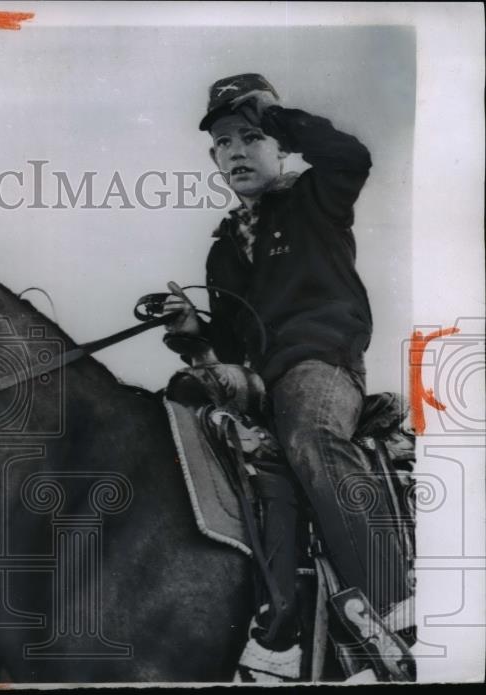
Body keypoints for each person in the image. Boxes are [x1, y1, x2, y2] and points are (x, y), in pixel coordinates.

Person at [164, 74, 409, 644]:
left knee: (310, 437)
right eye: (224, 143)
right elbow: (230, 344)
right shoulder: (222, 249)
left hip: (321, 362)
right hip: (260, 381)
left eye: (250, 136)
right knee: (226, 454)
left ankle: (394, 595)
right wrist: (190, 332)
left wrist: (276, 115)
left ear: (278, 146)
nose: (236, 152)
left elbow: (351, 156)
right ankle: (284, 607)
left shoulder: (314, 199)